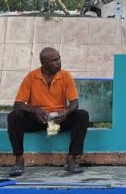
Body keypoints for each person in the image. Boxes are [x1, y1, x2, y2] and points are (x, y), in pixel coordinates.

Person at [6, 47, 89, 176]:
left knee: (82, 115)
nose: (59, 62)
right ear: (44, 63)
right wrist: (34, 110)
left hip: (58, 121)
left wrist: (66, 112)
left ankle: (72, 159)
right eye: (54, 60)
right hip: (38, 120)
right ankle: (19, 160)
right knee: (13, 116)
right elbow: (17, 104)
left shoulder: (65, 76)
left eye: (59, 58)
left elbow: (74, 103)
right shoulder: (31, 77)